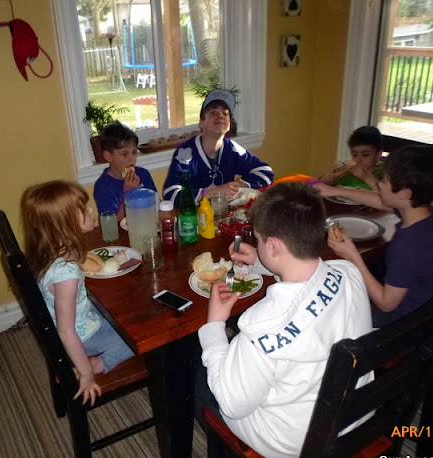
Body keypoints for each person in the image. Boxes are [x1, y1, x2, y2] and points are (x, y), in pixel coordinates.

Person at [197, 182, 373, 458]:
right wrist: (261, 261)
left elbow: (232, 405)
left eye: (259, 240)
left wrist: (214, 326)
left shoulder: (261, 325)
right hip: (356, 416)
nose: (257, 244)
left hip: (295, 443)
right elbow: (305, 285)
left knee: (198, 375)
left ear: (274, 246)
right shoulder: (348, 271)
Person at [21, 180, 135, 405]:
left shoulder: (53, 250)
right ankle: (96, 364)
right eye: (83, 208)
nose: (91, 210)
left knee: (125, 310)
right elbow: (66, 331)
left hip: (84, 319)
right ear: (66, 224)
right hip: (82, 335)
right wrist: (87, 374)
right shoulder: (67, 275)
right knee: (139, 339)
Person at [314, 145, 433, 327]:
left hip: (406, 323)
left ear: (404, 194)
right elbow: (383, 202)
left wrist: (353, 257)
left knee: (329, 309)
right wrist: (335, 191)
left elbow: (386, 304)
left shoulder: (408, 243)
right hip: (427, 306)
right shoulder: (424, 213)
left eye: (385, 180)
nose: (379, 184)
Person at [163, 89, 274, 205]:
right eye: (213, 112)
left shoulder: (232, 149)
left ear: (229, 125)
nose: (220, 116)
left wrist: (235, 185)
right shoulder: (185, 153)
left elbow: (266, 172)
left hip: (223, 210)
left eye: (225, 113)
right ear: (201, 122)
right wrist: (211, 192)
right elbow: (170, 194)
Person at [94, 121, 157, 220]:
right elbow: (113, 224)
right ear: (108, 156)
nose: (132, 159)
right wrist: (128, 193)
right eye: (124, 154)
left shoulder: (143, 174)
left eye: (134, 152)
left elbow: (156, 206)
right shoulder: (103, 187)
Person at [319, 125, 384, 191]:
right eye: (354, 155)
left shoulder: (383, 176)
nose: (359, 160)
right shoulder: (347, 174)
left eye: (365, 155)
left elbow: (385, 195)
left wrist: (367, 177)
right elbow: (318, 185)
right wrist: (331, 177)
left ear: (378, 155)